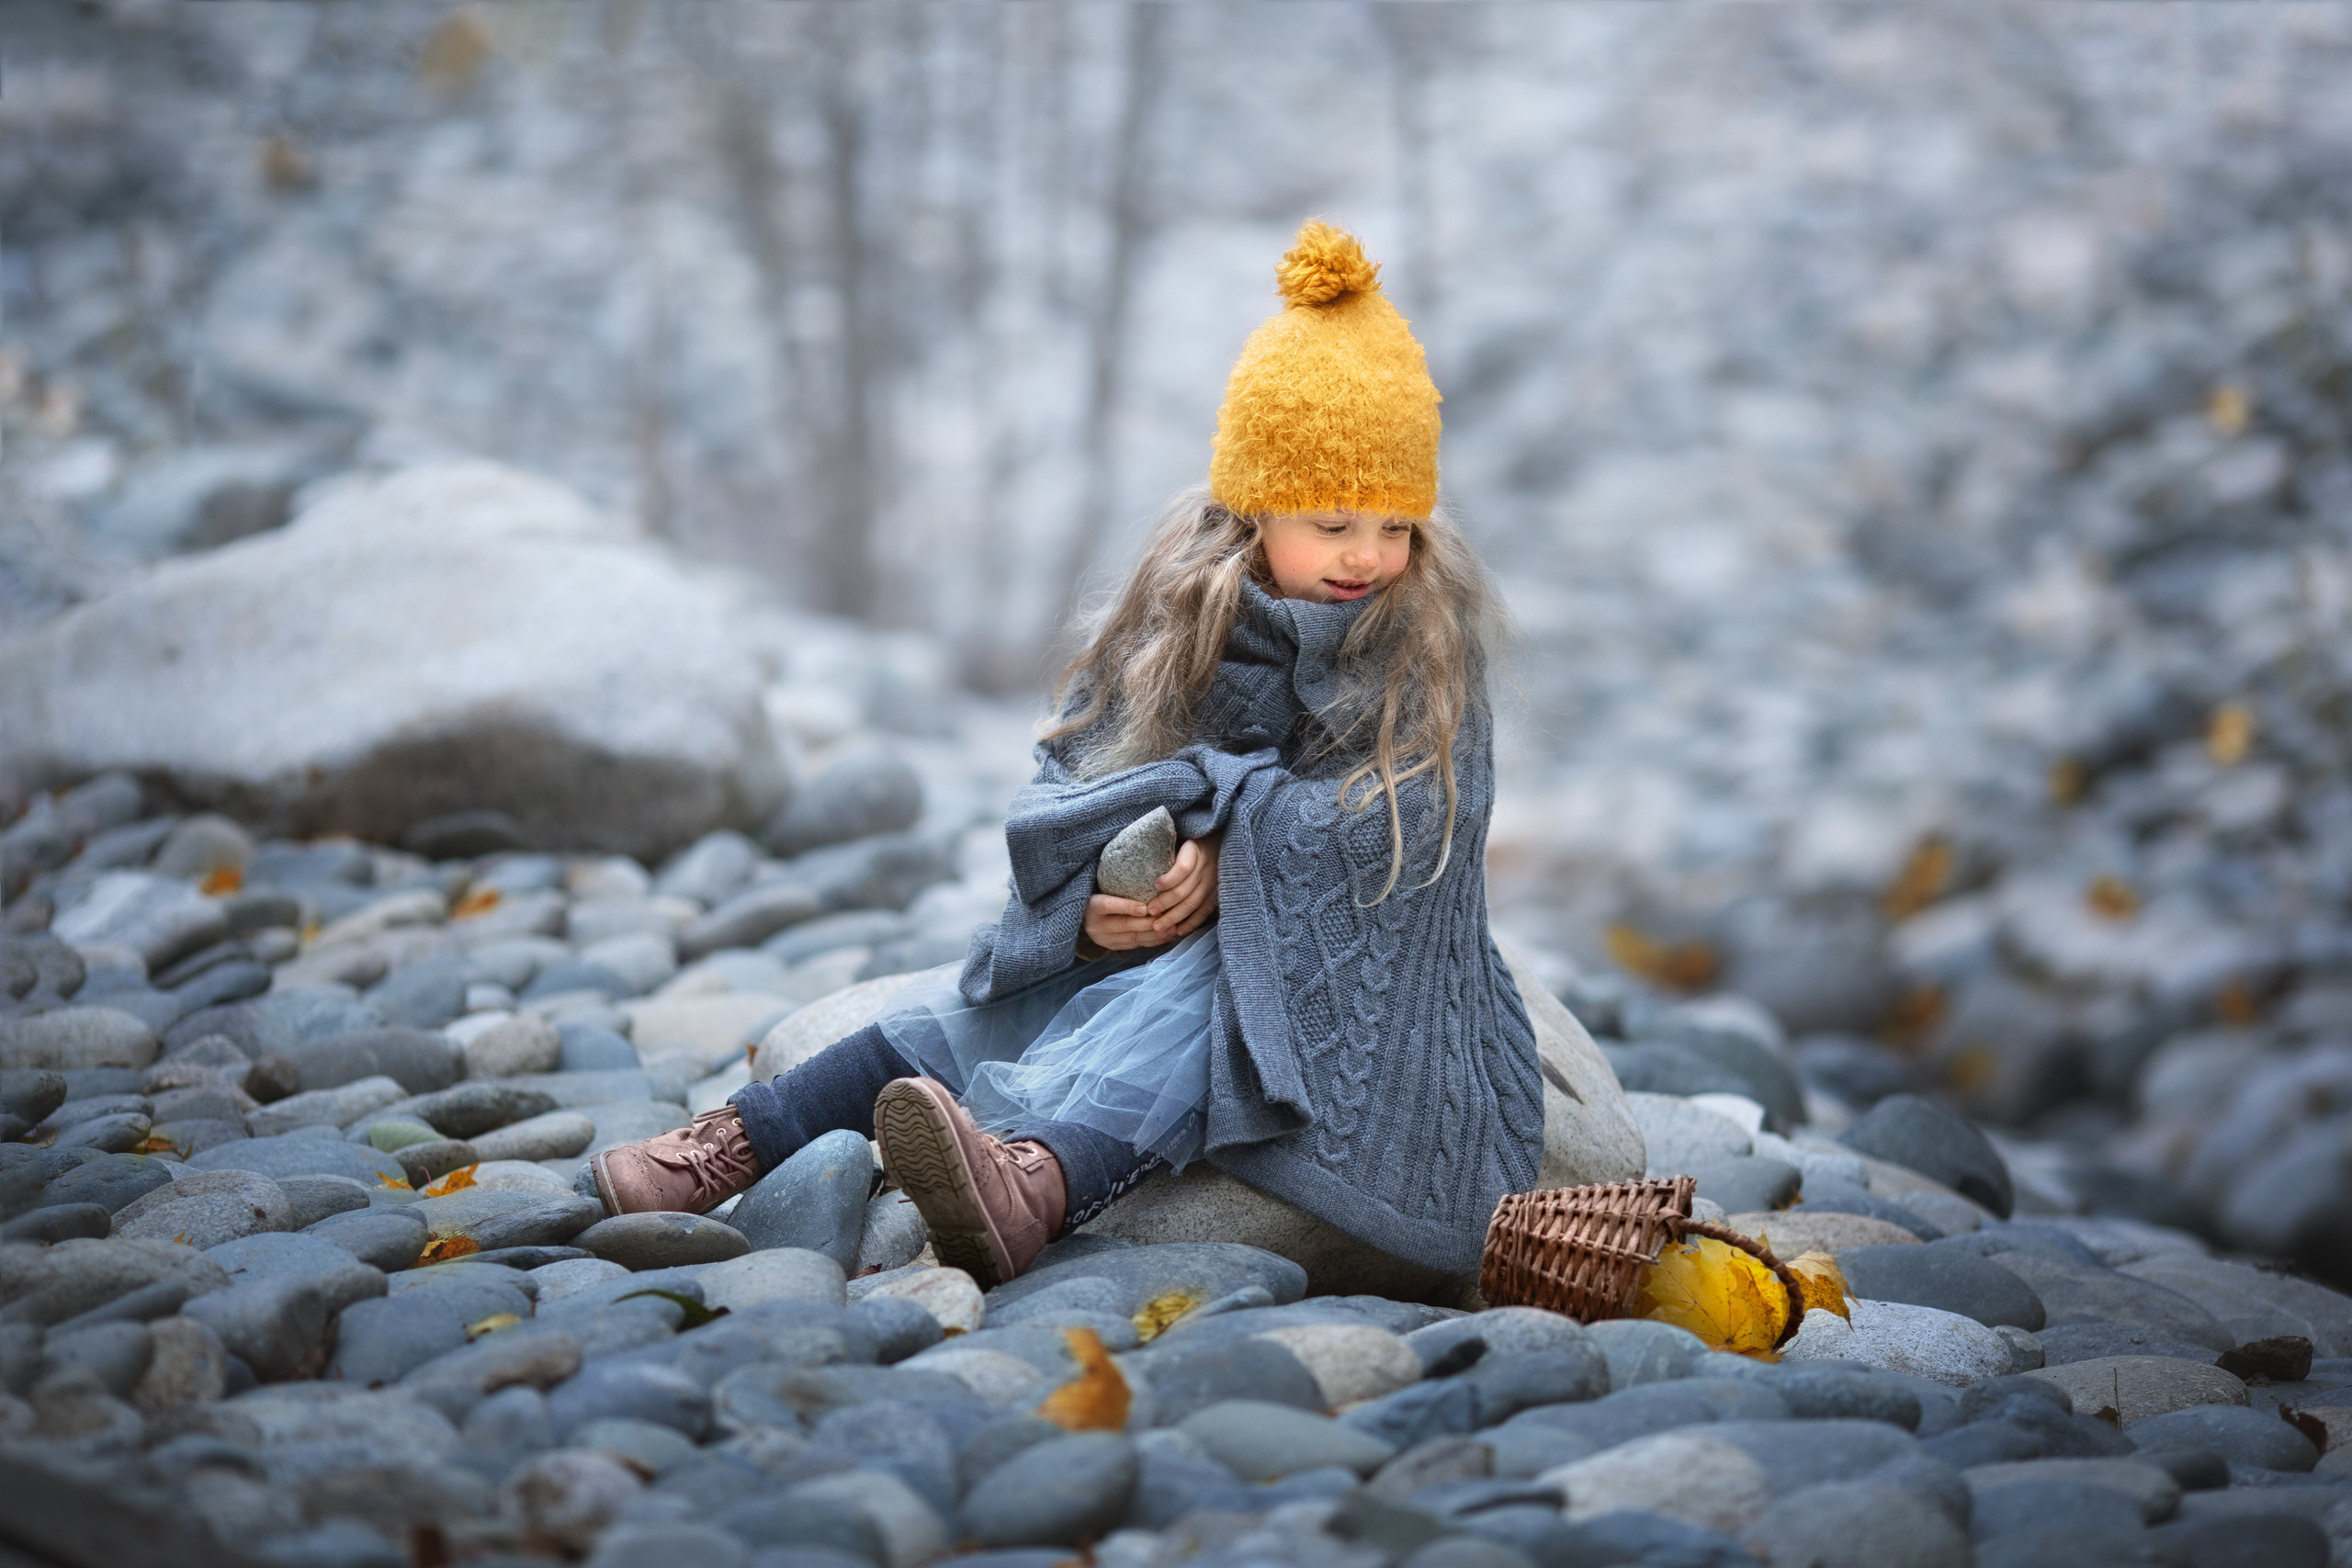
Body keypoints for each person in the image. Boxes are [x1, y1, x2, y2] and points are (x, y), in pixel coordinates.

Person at [591, 220, 1544, 1290]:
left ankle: (1035, 1182)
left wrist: (1239, 852)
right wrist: (1091, 902)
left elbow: (1416, 826)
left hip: (1360, 962)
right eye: (1332, 523)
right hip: (1165, 930)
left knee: (1196, 1008)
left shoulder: (1422, 640)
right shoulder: (1186, 613)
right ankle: (735, 1142)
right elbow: (1078, 777)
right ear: (1254, 509)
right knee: (978, 1003)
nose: (1368, 555)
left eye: (1394, 526)